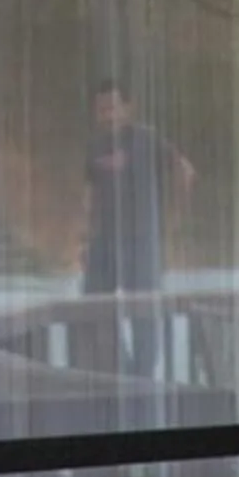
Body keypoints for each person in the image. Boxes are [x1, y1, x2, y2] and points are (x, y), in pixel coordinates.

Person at [80, 78, 194, 376]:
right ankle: (115, 370)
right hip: (105, 241)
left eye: (113, 107)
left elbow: (184, 172)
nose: (108, 115)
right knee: (92, 306)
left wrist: (173, 219)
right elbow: (89, 195)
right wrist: (85, 238)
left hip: (142, 240)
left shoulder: (146, 139)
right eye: (101, 109)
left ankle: (143, 375)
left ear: (127, 108)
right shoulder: (94, 147)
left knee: (144, 311)